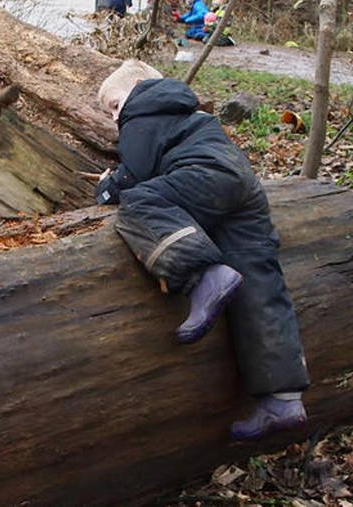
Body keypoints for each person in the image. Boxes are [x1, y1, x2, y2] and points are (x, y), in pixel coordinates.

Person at [95, 59, 311, 441]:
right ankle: (283, 399)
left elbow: (136, 174)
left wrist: (107, 187)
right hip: (238, 183)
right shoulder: (186, 113)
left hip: (202, 175)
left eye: (114, 105)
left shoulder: (143, 106)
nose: (115, 118)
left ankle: (204, 278)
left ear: (141, 85)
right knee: (259, 282)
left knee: (139, 203)